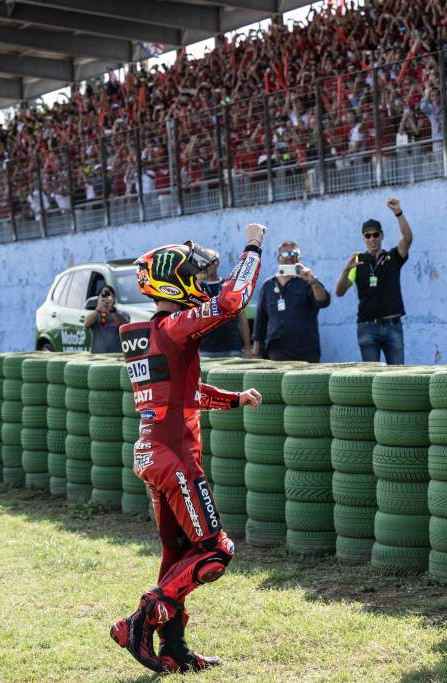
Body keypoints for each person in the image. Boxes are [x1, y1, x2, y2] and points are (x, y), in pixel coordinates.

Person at [110, 224, 266, 674]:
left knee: (178, 557)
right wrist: (254, 246)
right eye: (193, 278)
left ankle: (173, 647)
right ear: (171, 281)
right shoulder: (176, 327)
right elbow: (233, 300)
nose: (200, 286)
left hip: (151, 455)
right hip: (175, 458)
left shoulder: (150, 334)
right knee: (217, 551)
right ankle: (140, 619)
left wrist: (234, 399)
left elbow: (187, 394)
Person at [334, 197, 413, 365]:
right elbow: (339, 292)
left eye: (375, 234)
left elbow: (407, 239)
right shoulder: (358, 261)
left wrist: (398, 212)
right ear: (363, 238)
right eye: (368, 236)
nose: (372, 239)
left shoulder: (392, 257)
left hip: (392, 325)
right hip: (367, 327)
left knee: (398, 375)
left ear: (382, 235)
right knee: (371, 376)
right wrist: (346, 270)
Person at [252, 240, 331, 362]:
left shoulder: (307, 281)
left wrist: (312, 280)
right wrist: (256, 349)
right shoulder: (268, 285)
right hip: (277, 350)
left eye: (294, 254)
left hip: (307, 350)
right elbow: (261, 319)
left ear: (299, 258)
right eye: (285, 254)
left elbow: (323, 301)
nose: (289, 257)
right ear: (278, 259)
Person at [194, 248, 253, 358]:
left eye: (210, 261)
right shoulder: (197, 289)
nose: (206, 265)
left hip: (232, 348)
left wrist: (248, 349)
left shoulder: (230, 286)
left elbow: (242, 319)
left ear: (217, 263)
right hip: (206, 350)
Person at [84, 285, 128, 353]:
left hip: (116, 357)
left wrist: (111, 310)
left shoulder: (122, 314)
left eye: (109, 296)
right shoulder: (94, 315)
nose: (106, 299)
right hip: (97, 357)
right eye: (103, 296)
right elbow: (86, 324)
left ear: (114, 299)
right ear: (98, 298)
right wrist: (98, 309)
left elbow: (124, 326)